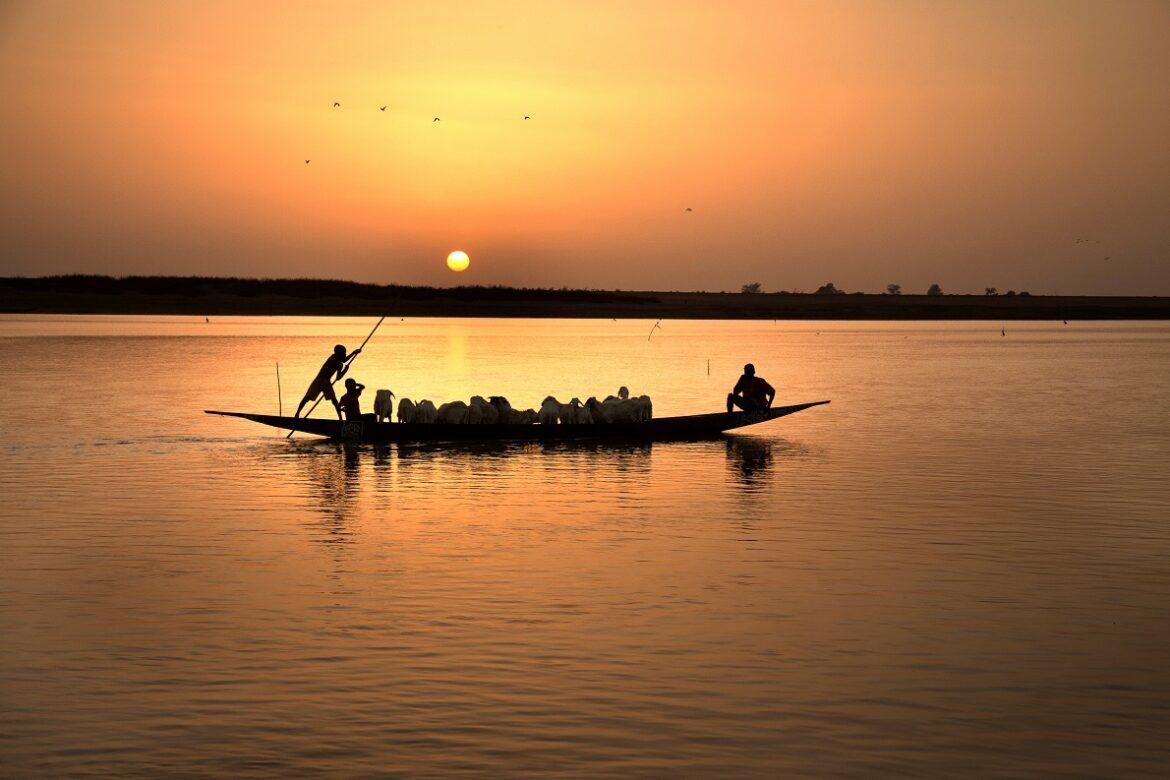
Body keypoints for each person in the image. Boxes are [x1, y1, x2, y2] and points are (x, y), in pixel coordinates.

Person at [294, 344, 362, 419]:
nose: (345, 354)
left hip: (326, 382)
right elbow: (343, 361)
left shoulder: (338, 363)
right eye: (344, 353)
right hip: (319, 380)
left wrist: (354, 353)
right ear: (339, 354)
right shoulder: (334, 359)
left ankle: (340, 419)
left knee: (334, 401)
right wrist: (352, 355)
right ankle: (297, 414)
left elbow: (338, 377)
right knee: (307, 398)